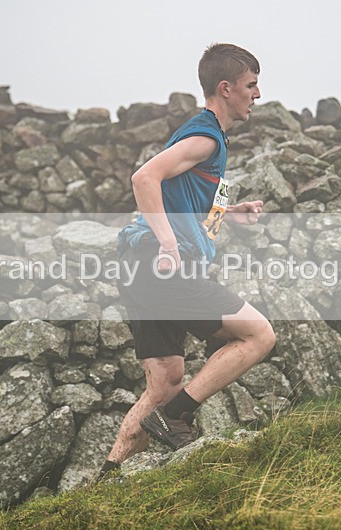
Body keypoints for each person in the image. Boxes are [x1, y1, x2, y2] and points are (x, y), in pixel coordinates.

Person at [93, 43, 276, 482]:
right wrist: (169, 244)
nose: (258, 94)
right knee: (260, 335)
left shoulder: (205, 135)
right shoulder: (206, 136)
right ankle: (176, 418)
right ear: (226, 87)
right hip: (160, 264)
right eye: (252, 85)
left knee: (165, 383)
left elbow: (180, 196)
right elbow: (144, 178)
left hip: (138, 266)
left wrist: (230, 211)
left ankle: (108, 474)